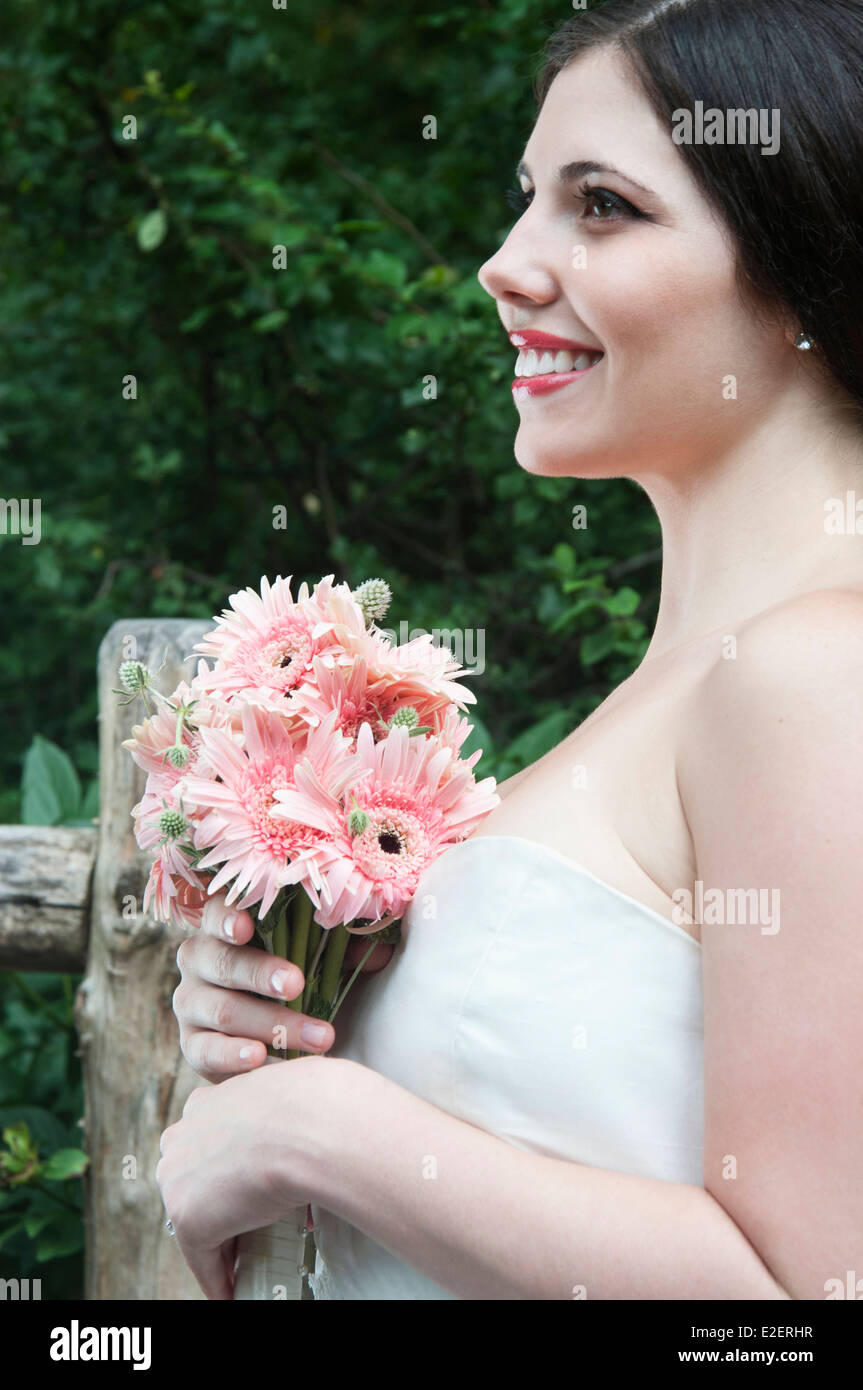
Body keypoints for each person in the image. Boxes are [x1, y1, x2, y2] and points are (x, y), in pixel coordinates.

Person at [157, 0, 863, 1300]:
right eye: (528, 197)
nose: (504, 260)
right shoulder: (673, 694)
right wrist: (293, 1015)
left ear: (803, 255)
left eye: (602, 206)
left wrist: (320, 1131)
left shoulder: (813, 673)